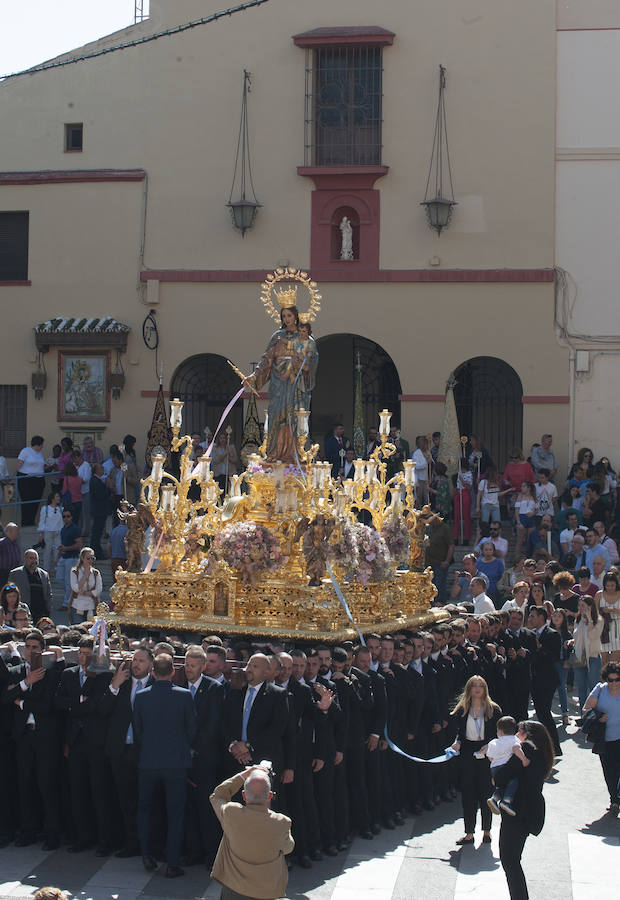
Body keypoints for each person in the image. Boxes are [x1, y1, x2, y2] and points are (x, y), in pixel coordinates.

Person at [134, 652, 197, 877]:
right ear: (173, 672)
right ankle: (172, 863)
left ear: (152, 672)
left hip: (149, 761)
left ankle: (146, 853)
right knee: (175, 813)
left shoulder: (140, 697)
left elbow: (138, 731)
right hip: (175, 762)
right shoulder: (184, 695)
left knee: (145, 809)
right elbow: (192, 728)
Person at [99, 647, 154, 858]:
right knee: (125, 800)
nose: (136, 664)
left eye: (141, 661)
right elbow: (103, 710)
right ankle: (130, 843)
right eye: (134, 660)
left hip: (144, 752)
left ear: (150, 664)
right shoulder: (121, 684)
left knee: (146, 800)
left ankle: (149, 845)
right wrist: (114, 684)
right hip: (121, 750)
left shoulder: (155, 685)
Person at [210, 764, 294, 900]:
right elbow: (288, 848)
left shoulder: (231, 813)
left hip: (234, 890)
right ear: (270, 796)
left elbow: (217, 795)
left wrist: (246, 774)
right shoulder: (282, 822)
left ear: (243, 795)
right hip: (266, 892)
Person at [246, 306, 318, 466]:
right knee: (275, 416)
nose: (287, 319)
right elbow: (267, 359)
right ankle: (274, 454)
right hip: (278, 384)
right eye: (284, 315)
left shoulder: (305, 338)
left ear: (296, 316)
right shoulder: (277, 336)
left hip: (295, 385)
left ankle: (296, 456)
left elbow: (311, 360)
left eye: (289, 315)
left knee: (295, 418)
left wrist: (302, 362)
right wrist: (255, 375)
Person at [494, 720, 555, 900]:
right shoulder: (541, 754)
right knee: (513, 860)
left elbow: (502, 777)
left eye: (518, 731)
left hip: (517, 811)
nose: (515, 735)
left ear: (526, 734)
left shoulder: (525, 750)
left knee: (509, 861)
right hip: (529, 812)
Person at [450, 675, 502, 845]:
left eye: (480, 685)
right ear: (469, 689)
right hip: (467, 753)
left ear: (485, 689)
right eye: (474, 686)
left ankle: (487, 831)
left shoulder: (493, 710)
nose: (478, 689)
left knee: (486, 793)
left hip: (486, 753)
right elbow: (460, 731)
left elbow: (499, 735)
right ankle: (469, 833)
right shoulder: (463, 709)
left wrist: (489, 746)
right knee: (468, 794)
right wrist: (457, 742)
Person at [583, 660, 620, 814]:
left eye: (617, 679)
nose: (614, 683)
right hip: (605, 739)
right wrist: (598, 717)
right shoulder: (599, 690)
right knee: (610, 772)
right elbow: (586, 710)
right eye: (610, 680)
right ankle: (614, 801)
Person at [528, 607, 562, 756]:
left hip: (547, 680)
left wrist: (539, 647)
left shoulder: (552, 634)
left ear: (541, 617)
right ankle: (547, 746)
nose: (530, 619)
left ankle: (554, 747)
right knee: (541, 713)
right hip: (534, 679)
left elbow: (553, 656)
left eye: (533, 616)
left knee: (544, 712)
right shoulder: (530, 633)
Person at [483, 715, 523, 816]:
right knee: (513, 782)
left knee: (501, 786)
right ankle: (506, 801)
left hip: (494, 767)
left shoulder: (493, 743)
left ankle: (494, 799)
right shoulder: (515, 740)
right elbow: (517, 750)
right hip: (506, 767)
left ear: (500, 731)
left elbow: (490, 757)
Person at [569, 596, 603, 711]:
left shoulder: (598, 620)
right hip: (579, 656)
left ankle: (595, 715)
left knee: (594, 687)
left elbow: (593, 636)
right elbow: (576, 636)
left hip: (592, 656)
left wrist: (589, 619)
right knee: (581, 688)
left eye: (583, 605)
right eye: (579, 606)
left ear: (590, 606)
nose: (581, 608)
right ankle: (583, 715)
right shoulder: (577, 620)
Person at [9, 548, 52, 624]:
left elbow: (48, 594)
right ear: (25, 559)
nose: (34, 561)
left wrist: (48, 610)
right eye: (31, 558)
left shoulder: (44, 575)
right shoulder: (15, 574)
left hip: (41, 612)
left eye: (35, 559)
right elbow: (9, 592)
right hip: (23, 612)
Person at [16, 435, 50, 527]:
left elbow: (40, 466)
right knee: (27, 501)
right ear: (38, 444)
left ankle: (31, 522)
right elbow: (19, 465)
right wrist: (16, 478)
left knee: (35, 502)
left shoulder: (40, 454)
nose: (43, 446)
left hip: (38, 480)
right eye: (42, 444)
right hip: (26, 479)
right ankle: (25, 523)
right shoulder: (26, 451)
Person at [55, 508, 82, 611]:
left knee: (68, 581)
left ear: (71, 517)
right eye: (64, 516)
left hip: (72, 557)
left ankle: (67, 603)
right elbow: (63, 545)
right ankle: (73, 595)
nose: (66, 518)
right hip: (64, 556)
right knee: (59, 578)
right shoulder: (63, 529)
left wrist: (66, 548)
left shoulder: (74, 529)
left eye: (68, 516)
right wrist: (58, 557)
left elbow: (79, 544)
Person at [425, 513, 454, 603]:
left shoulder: (445, 528)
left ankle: (440, 604)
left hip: (440, 563)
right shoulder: (429, 527)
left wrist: (447, 561)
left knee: (439, 587)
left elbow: (451, 545)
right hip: (429, 563)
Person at [69, 547, 102, 622]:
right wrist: (85, 575)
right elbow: (75, 588)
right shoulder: (75, 571)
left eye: (92, 558)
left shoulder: (96, 573)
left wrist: (87, 593)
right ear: (82, 558)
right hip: (78, 606)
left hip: (91, 606)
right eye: (88, 558)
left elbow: (99, 589)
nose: (90, 561)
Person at [36, 491, 64, 576]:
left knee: (58, 551)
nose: (58, 498)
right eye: (57, 497)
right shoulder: (45, 509)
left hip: (58, 532)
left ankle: (57, 569)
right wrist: (41, 534)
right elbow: (42, 521)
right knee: (47, 551)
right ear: (52, 498)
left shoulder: (61, 509)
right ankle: (46, 569)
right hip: (48, 532)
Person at [597, 570, 620, 663]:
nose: (610, 588)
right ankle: (603, 678)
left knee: (615, 661)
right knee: (604, 661)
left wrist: (613, 610)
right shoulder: (599, 595)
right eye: (608, 586)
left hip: (618, 627)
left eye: (612, 585)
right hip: (603, 628)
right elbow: (594, 612)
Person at [514, 482, 537, 558]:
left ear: (529, 488)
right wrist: (518, 522)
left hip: (531, 518)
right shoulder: (520, 496)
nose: (522, 488)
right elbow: (517, 510)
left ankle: (528, 556)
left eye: (524, 486)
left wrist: (533, 513)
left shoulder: (533, 497)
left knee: (530, 538)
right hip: (522, 517)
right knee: (520, 539)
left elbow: (536, 509)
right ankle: (517, 556)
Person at [453, 459, 473, 545]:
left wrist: (463, 481)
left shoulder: (469, 474)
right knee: (456, 516)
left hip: (465, 493)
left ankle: (466, 538)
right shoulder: (459, 473)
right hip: (458, 492)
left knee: (466, 516)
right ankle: (456, 537)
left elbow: (469, 488)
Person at [0, 522, 21, 587]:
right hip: (3, 574)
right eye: (16, 531)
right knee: (3, 592)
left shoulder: (16, 545)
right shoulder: (2, 543)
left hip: (14, 574)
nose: (18, 533)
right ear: (9, 532)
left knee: (11, 591)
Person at [412, 435, 431, 507]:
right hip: (419, 479)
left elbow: (430, 462)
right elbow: (416, 466)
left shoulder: (427, 452)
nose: (427, 446)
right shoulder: (417, 453)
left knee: (427, 498)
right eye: (426, 444)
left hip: (426, 478)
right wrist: (426, 462)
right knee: (419, 497)